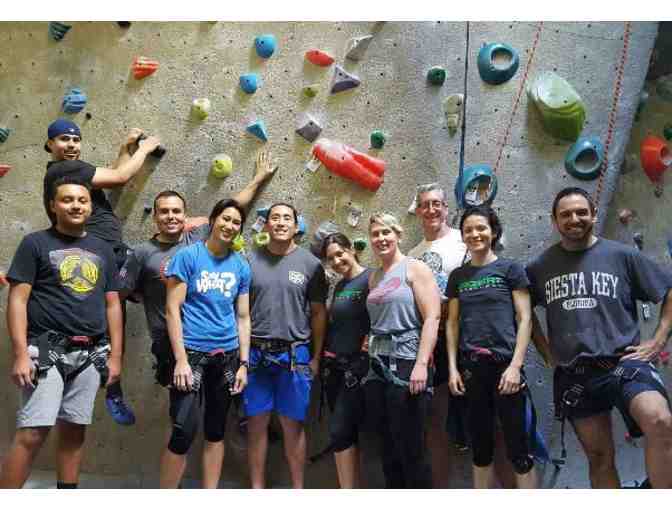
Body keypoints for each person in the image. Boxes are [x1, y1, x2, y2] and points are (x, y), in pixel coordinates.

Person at [526, 187, 672, 488]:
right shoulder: (540, 267)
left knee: (660, 421)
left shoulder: (623, 256)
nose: (574, 219)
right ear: (554, 221)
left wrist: (658, 340)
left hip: (625, 363)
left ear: (593, 215)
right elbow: (521, 310)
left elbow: (668, 289)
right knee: (599, 457)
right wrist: (545, 351)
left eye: (581, 212)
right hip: (576, 375)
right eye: (566, 214)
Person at [0, 178, 122, 489]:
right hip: (45, 349)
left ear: (90, 206)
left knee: (74, 431)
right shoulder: (35, 244)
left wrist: (116, 358)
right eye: (67, 200)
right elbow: (17, 300)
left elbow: (112, 305)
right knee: (32, 432)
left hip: (92, 353)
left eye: (82, 200)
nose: (76, 205)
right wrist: (20, 354)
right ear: (53, 206)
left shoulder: (103, 250)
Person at [43, 118, 161, 425]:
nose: (71, 144)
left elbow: (110, 177)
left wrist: (125, 147)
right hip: (98, 257)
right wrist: (145, 149)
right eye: (64, 139)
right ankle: (111, 389)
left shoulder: (71, 172)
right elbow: (121, 177)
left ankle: (110, 384)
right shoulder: (64, 170)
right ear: (50, 145)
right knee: (114, 317)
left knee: (128, 303)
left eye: (75, 139)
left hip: (111, 254)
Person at [127, 150, 276, 391]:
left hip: (201, 339)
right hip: (166, 339)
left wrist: (259, 178)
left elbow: (232, 209)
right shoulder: (142, 253)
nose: (171, 217)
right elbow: (125, 293)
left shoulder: (197, 236)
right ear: (154, 217)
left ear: (185, 216)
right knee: (182, 402)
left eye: (176, 212)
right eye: (164, 212)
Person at [160, 199, 251, 489]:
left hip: (227, 356)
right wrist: (180, 360)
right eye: (225, 218)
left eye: (236, 222)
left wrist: (244, 364)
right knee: (182, 432)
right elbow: (172, 309)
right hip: (191, 355)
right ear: (212, 220)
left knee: (216, 431)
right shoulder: (188, 257)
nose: (230, 226)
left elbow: (243, 317)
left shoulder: (241, 266)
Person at [446, 206, 537, 489]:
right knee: (480, 448)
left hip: (505, 368)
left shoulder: (510, 269)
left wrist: (515, 367)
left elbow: (525, 319)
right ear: (462, 236)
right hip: (471, 370)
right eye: (468, 230)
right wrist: (453, 369)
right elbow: (452, 324)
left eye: (481, 228)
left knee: (519, 449)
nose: (475, 234)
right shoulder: (458, 276)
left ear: (494, 231)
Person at [244, 203, 328, 489]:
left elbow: (318, 313)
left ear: (296, 226)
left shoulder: (311, 265)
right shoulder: (249, 261)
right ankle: (257, 489)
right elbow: (240, 312)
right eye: (275, 218)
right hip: (255, 355)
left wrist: (315, 357)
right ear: (267, 224)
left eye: (287, 218)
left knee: (293, 426)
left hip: (295, 355)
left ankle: (297, 490)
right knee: (256, 426)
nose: (280, 222)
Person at [364, 212, 441, 488]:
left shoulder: (415, 269)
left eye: (386, 232)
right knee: (387, 447)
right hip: (377, 364)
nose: (381, 238)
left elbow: (432, 317)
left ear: (398, 235)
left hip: (408, 361)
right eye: (375, 234)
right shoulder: (374, 277)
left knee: (411, 446)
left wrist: (421, 364)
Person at [407, 182, 466, 487]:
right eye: (424, 204)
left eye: (436, 204)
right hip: (435, 341)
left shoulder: (464, 239)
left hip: (470, 337)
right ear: (417, 211)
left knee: (489, 420)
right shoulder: (412, 256)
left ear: (446, 208)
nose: (430, 209)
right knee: (435, 421)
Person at [313, 233, 371, 488]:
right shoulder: (339, 286)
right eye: (330, 259)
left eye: (340, 254)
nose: (336, 261)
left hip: (358, 370)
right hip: (335, 369)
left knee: (341, 432)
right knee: (344, 434)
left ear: (352, 250)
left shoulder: (371, 279)